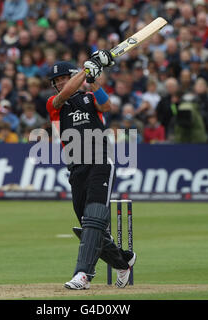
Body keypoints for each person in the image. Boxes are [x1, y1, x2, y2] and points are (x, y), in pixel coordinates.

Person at [45, 52, 136, 291]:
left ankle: (83, 274)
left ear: (71, 76)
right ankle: (123, 262)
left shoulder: (89, 96)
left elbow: (107, 105)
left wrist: (93, 77)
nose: (59, 83)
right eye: (56, 81)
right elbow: (63, 96)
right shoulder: (54, 103)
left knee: (95, 217)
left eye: (63, 78)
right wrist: (88, 69)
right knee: (89, 225)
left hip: (100, 160)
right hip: (76, 167)